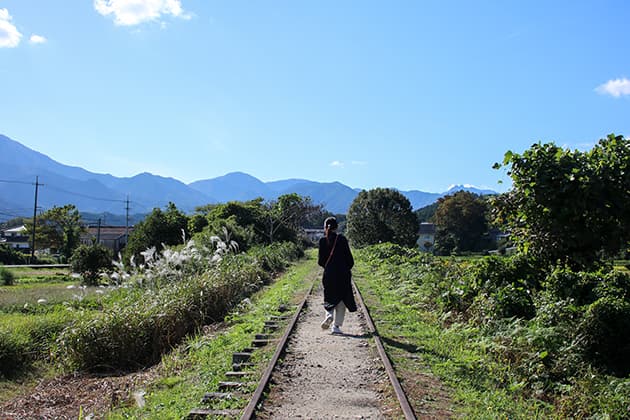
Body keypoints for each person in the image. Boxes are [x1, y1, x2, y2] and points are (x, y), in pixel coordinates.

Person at [318, 216, 357, 334]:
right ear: (337, 227)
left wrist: (329, 268)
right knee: (341, 301)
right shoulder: (342, 239)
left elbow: (320, 261)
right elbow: (350, 260)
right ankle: (336, 327)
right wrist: (345, 269)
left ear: (325, 227)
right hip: (343, 275)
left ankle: (329, 315)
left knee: (329, 297)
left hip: (329, 275)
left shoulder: (322, 241)